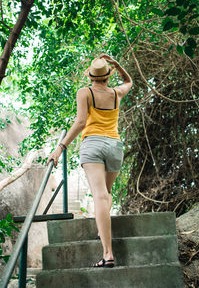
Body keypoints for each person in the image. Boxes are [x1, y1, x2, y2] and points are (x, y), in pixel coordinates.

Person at [47, 54, 132, 268]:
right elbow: (129, 82)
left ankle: (107, 253)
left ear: (91, 76)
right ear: (108, 75)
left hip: (92, 144)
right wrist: (118, 65)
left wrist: (60, 147)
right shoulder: (116, 93)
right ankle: (101, 232)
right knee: (106, 194)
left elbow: (81, 121)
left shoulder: (85, 92)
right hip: (114, 146)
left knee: (100, 196)